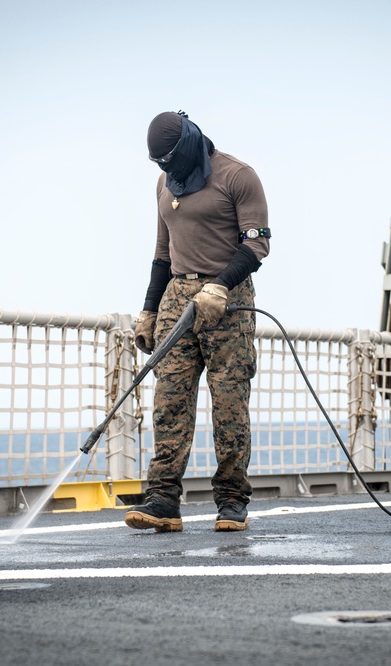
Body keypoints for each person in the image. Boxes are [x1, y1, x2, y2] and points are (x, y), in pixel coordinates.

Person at [124, 110, 270, 533]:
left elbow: (256, 244)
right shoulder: (164, 182)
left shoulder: (238, 177)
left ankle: (231, 500)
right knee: (168, 401)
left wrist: (220, 286)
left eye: (171, 159)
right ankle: (163, 498)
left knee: (228, 404)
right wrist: (149, 311)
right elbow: (162, 253)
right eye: (160, 165)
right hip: (177, 298)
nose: (168, 170)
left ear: (189, 143)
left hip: (228, 301)